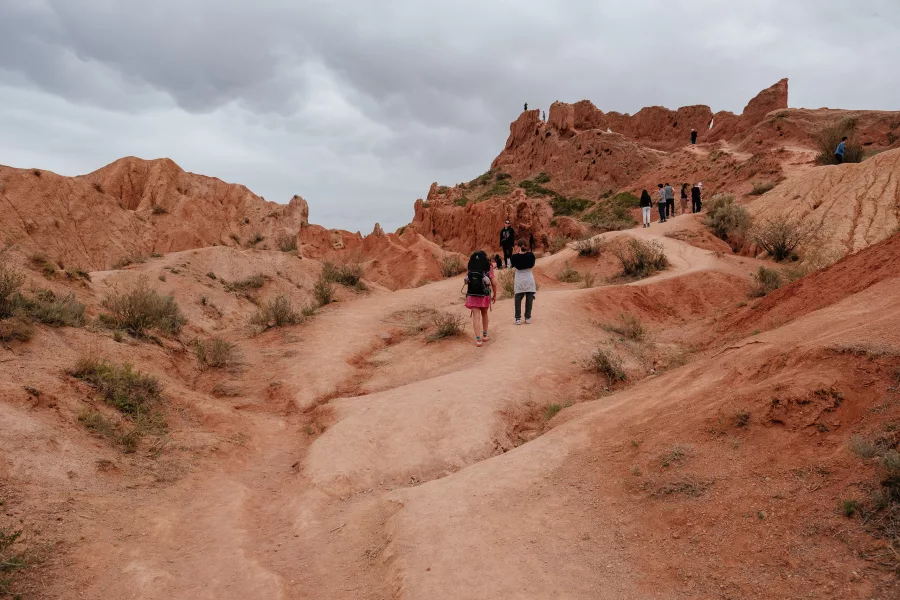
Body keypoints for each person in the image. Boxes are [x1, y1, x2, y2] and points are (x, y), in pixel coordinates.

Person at [463, 251, 497, 347]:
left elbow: (467, 280)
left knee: (476, 317)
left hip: (472, 294)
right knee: (484, 314)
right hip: (484, 295)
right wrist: (494, 295)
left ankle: (478, 340)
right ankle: (485, 336)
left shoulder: (471, 267)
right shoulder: (488, 268)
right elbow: (493, 283)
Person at [510, 239, 536, 325]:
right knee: (529, 297)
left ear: (518, 246)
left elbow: (512, 265)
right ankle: (527, 317)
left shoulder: (514, 257)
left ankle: (518, 318)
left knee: (518, 297)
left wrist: (515, 252)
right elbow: (532, 265)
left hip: (519, 277)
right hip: (528, 277)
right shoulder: (531, 255)